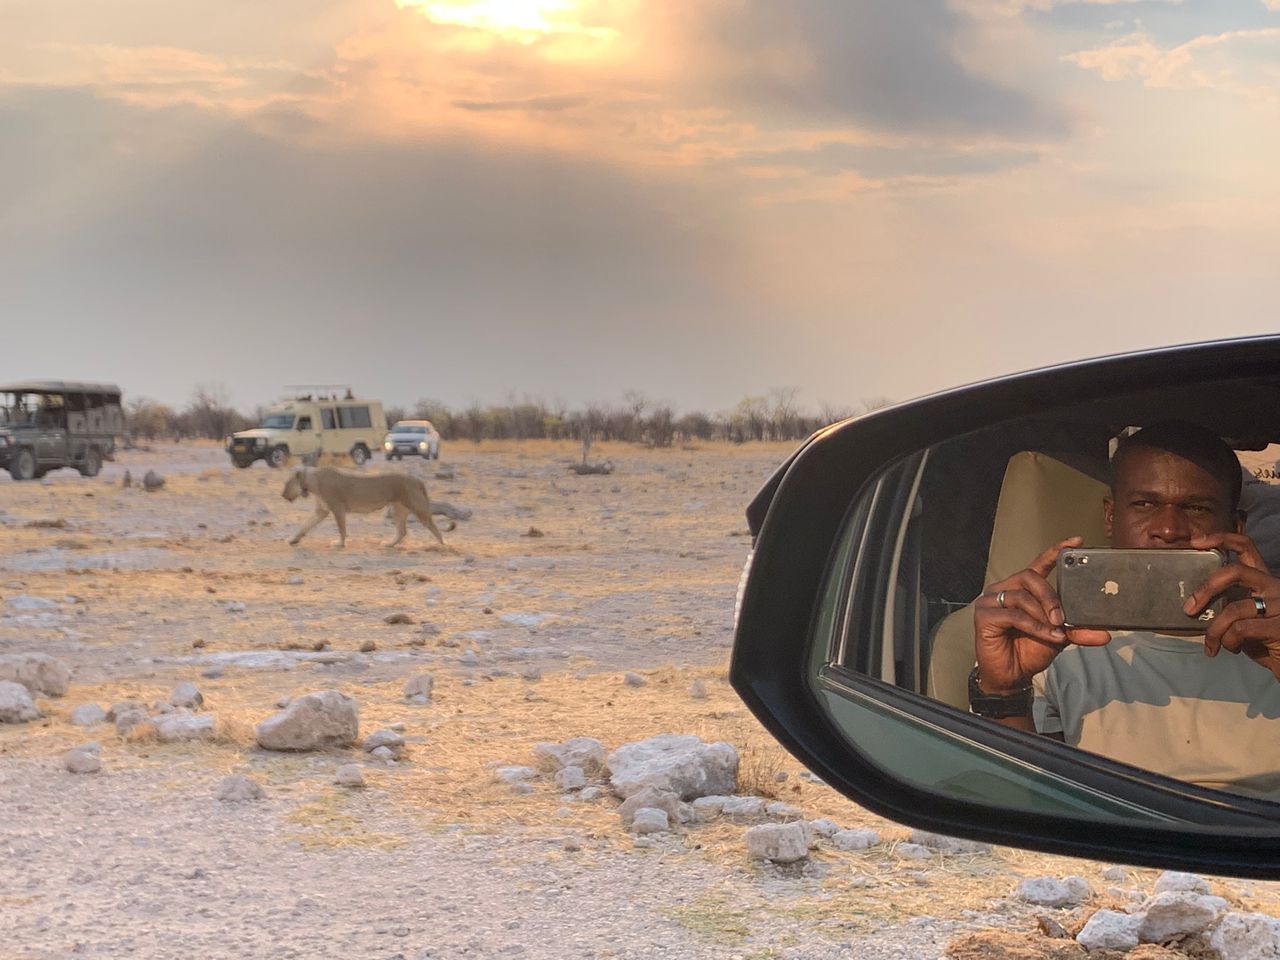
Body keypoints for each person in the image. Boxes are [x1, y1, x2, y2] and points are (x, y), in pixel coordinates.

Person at [971, 421, 1280, 796]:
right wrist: (1004, 691)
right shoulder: (1050, 639)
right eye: (1145, 504)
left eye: (1197, 508)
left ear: (1237, 528)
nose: (1169, 529)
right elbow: (1022, 798)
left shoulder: (1272, 632)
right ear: (1110, 517)